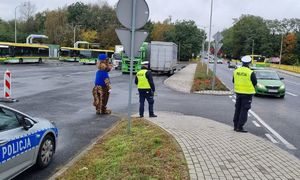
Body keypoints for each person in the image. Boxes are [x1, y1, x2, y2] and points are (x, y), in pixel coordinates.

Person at [232, 55, 257, 133]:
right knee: (244, 110)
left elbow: (233, 81)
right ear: (249, 63)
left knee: (237, 109)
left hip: (238, 93)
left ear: (242, 62)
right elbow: (255, 83)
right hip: (247, 94)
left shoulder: (236, 71)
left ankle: (235, 126)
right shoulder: (250, 72)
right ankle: (240, 127)